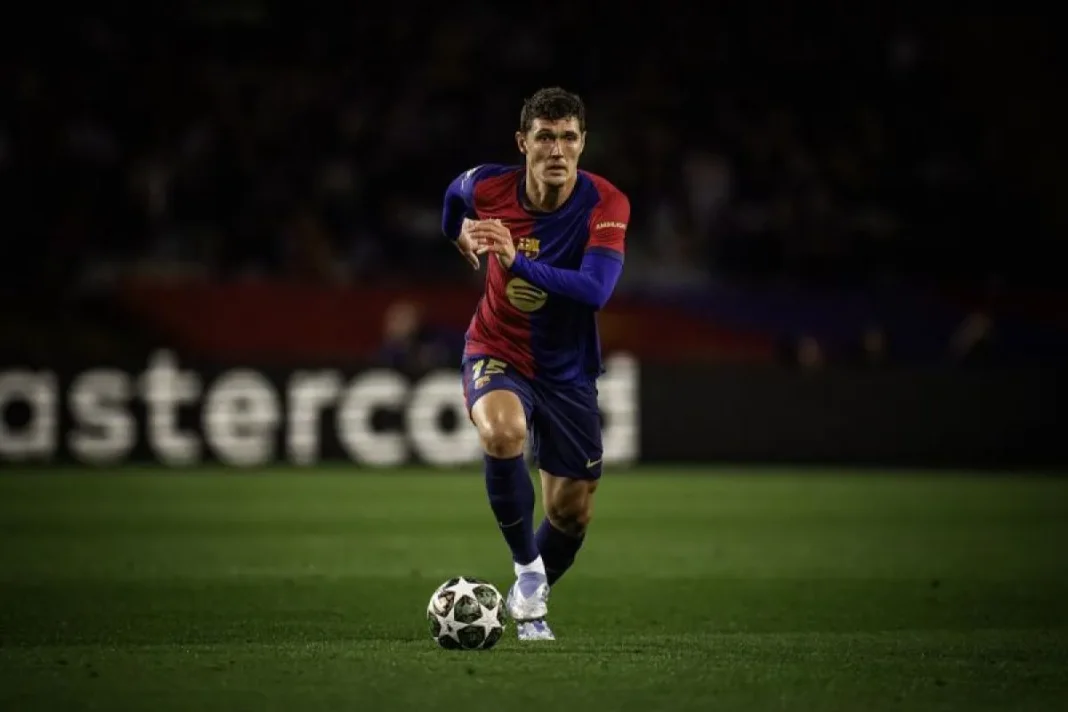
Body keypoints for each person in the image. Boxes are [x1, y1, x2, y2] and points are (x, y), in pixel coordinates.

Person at [440, 87, 630, 642]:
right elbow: (453, 197)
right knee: (503, 433)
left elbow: (595, 291)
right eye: (545, 137)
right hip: (497, 347)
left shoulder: (606, 204)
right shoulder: (488, 185)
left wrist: (515, 260)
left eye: (568, 137)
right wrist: (458, 233)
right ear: (523, 142)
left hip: (568, 370)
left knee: (571, 512)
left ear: (583, 143)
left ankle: (528, 593)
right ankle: (527, 571)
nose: (557, 150)